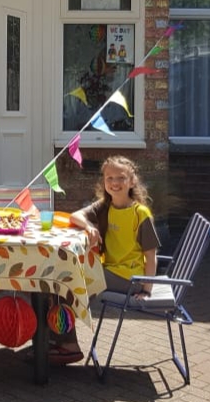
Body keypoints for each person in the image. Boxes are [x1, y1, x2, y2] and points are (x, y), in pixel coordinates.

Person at [51, 155, 161, 365]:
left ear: (132, 181)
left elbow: (150, 256)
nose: (115, 182)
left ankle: (67, 345)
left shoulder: (140, 213)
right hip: (109, 270)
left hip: (130, 278)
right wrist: (89, 226)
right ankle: (55, 340)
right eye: (109, 178)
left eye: (121, 178)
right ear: (104, 181)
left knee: (68, 282)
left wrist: (147, 290)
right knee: (62, 282)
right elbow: (75, 216)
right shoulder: (105, 206)